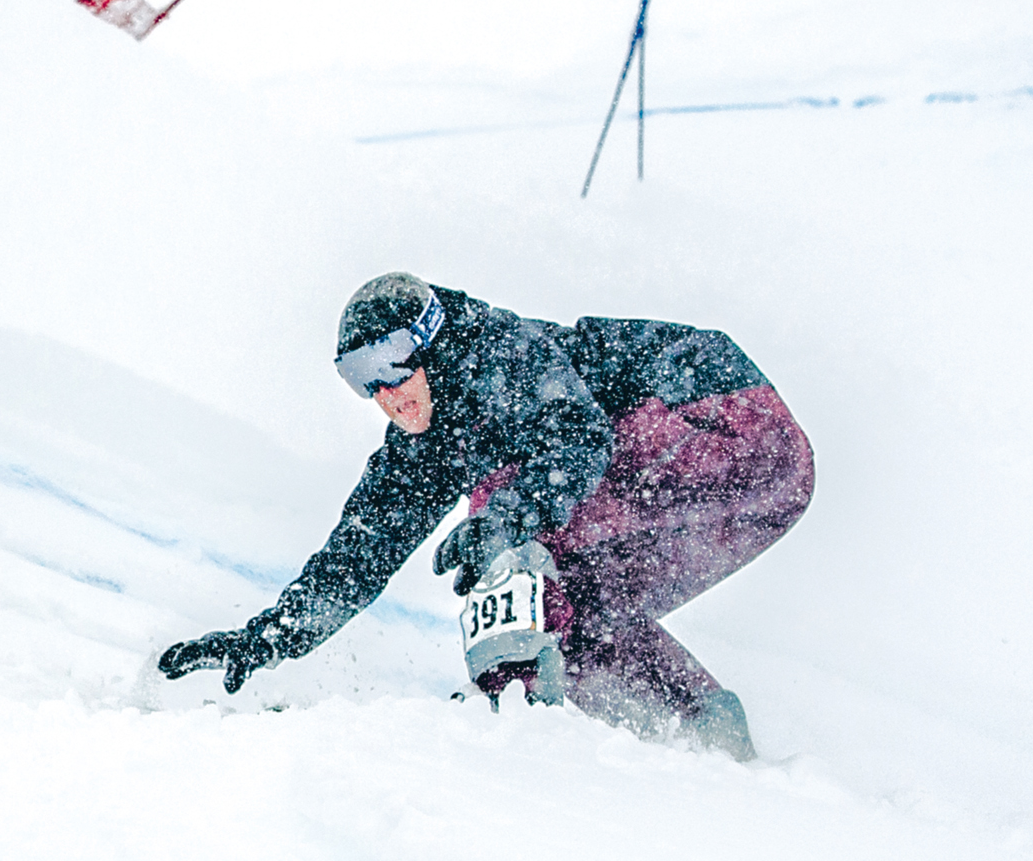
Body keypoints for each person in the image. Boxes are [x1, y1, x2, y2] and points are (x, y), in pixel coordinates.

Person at [157, 274, 814, 760]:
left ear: (429, 339)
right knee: (581, 619)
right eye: (358, 377)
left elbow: (578, 437)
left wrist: (506, 519)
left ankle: (515, 705)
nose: (383, 393)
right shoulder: (425, 443)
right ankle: (708, 735)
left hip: (725, 417)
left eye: (388, 359)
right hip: (755, 495)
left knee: (505, 510)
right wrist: (270, 637)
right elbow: (360, 554)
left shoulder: (498, 352)